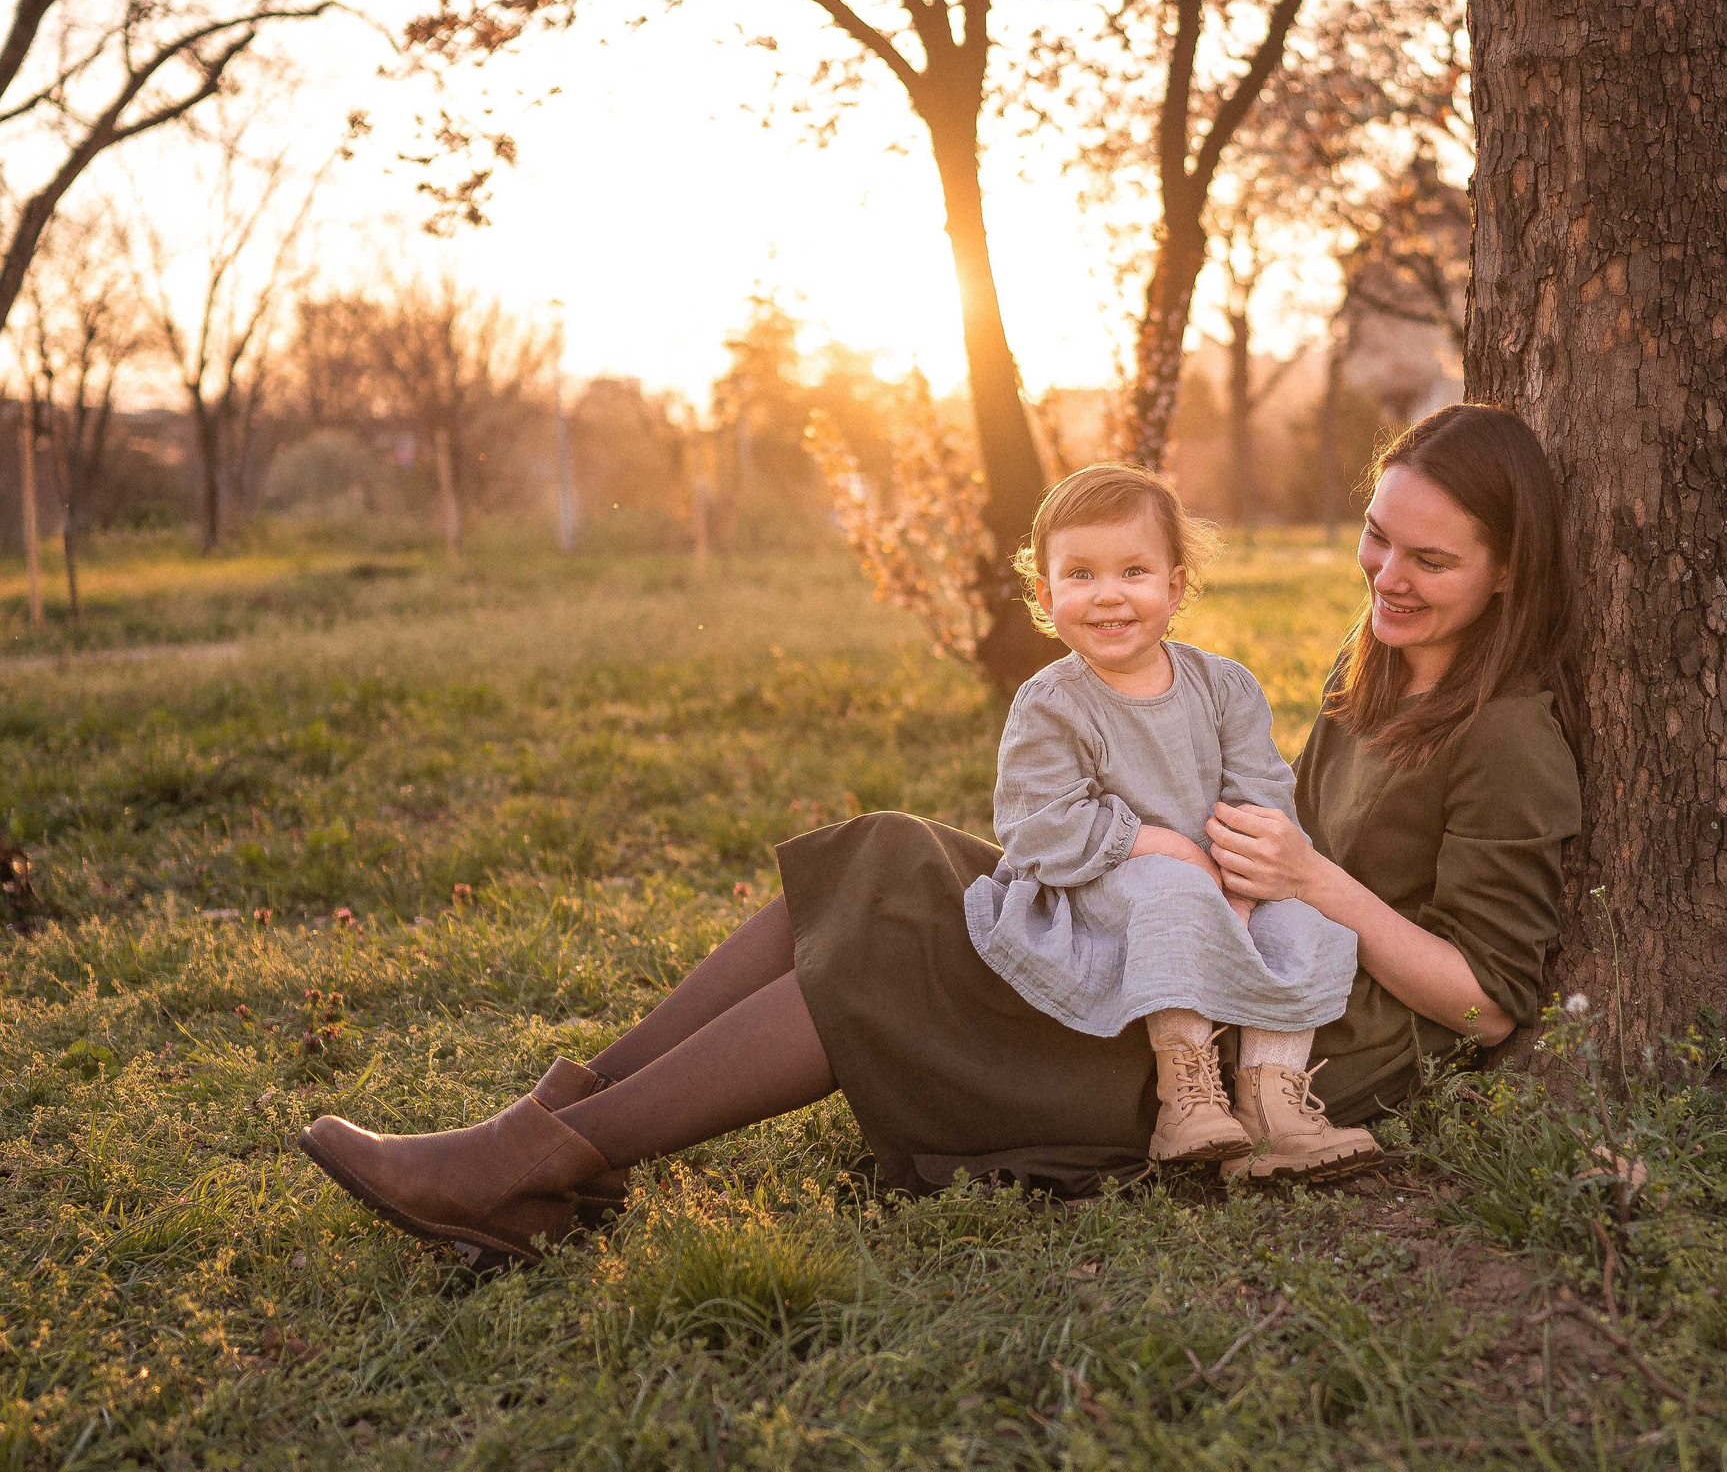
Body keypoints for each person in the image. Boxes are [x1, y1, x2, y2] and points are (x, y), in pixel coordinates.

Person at [299, 403, 1583, 1273]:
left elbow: (1485, 1006)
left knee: (912, 957)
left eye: (1432, 560)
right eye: (1377, 537)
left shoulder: (1509, 735)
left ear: (1507, 572)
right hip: (1215, 936)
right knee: (890, 856)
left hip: (1286, 1036)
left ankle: (531, 1168)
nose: (1388, 576)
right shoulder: (1379, 673)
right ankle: (551, 1127)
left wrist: (1307, 878)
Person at [962, 462, 1368, 1175]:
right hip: (1096, 886)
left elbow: (1261, 791)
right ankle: (1187, 1100)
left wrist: (1242, 885)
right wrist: (1166, 850)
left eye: (1134, 571)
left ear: (1175, 586)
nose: (1108, 595)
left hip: (1219, 875)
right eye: (1081, 574)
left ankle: (1272, 1104)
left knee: (1305, 913)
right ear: (1045, 591)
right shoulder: (1052, 702)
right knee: (1173, 893)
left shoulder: (1223, 687)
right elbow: (1038, 826)